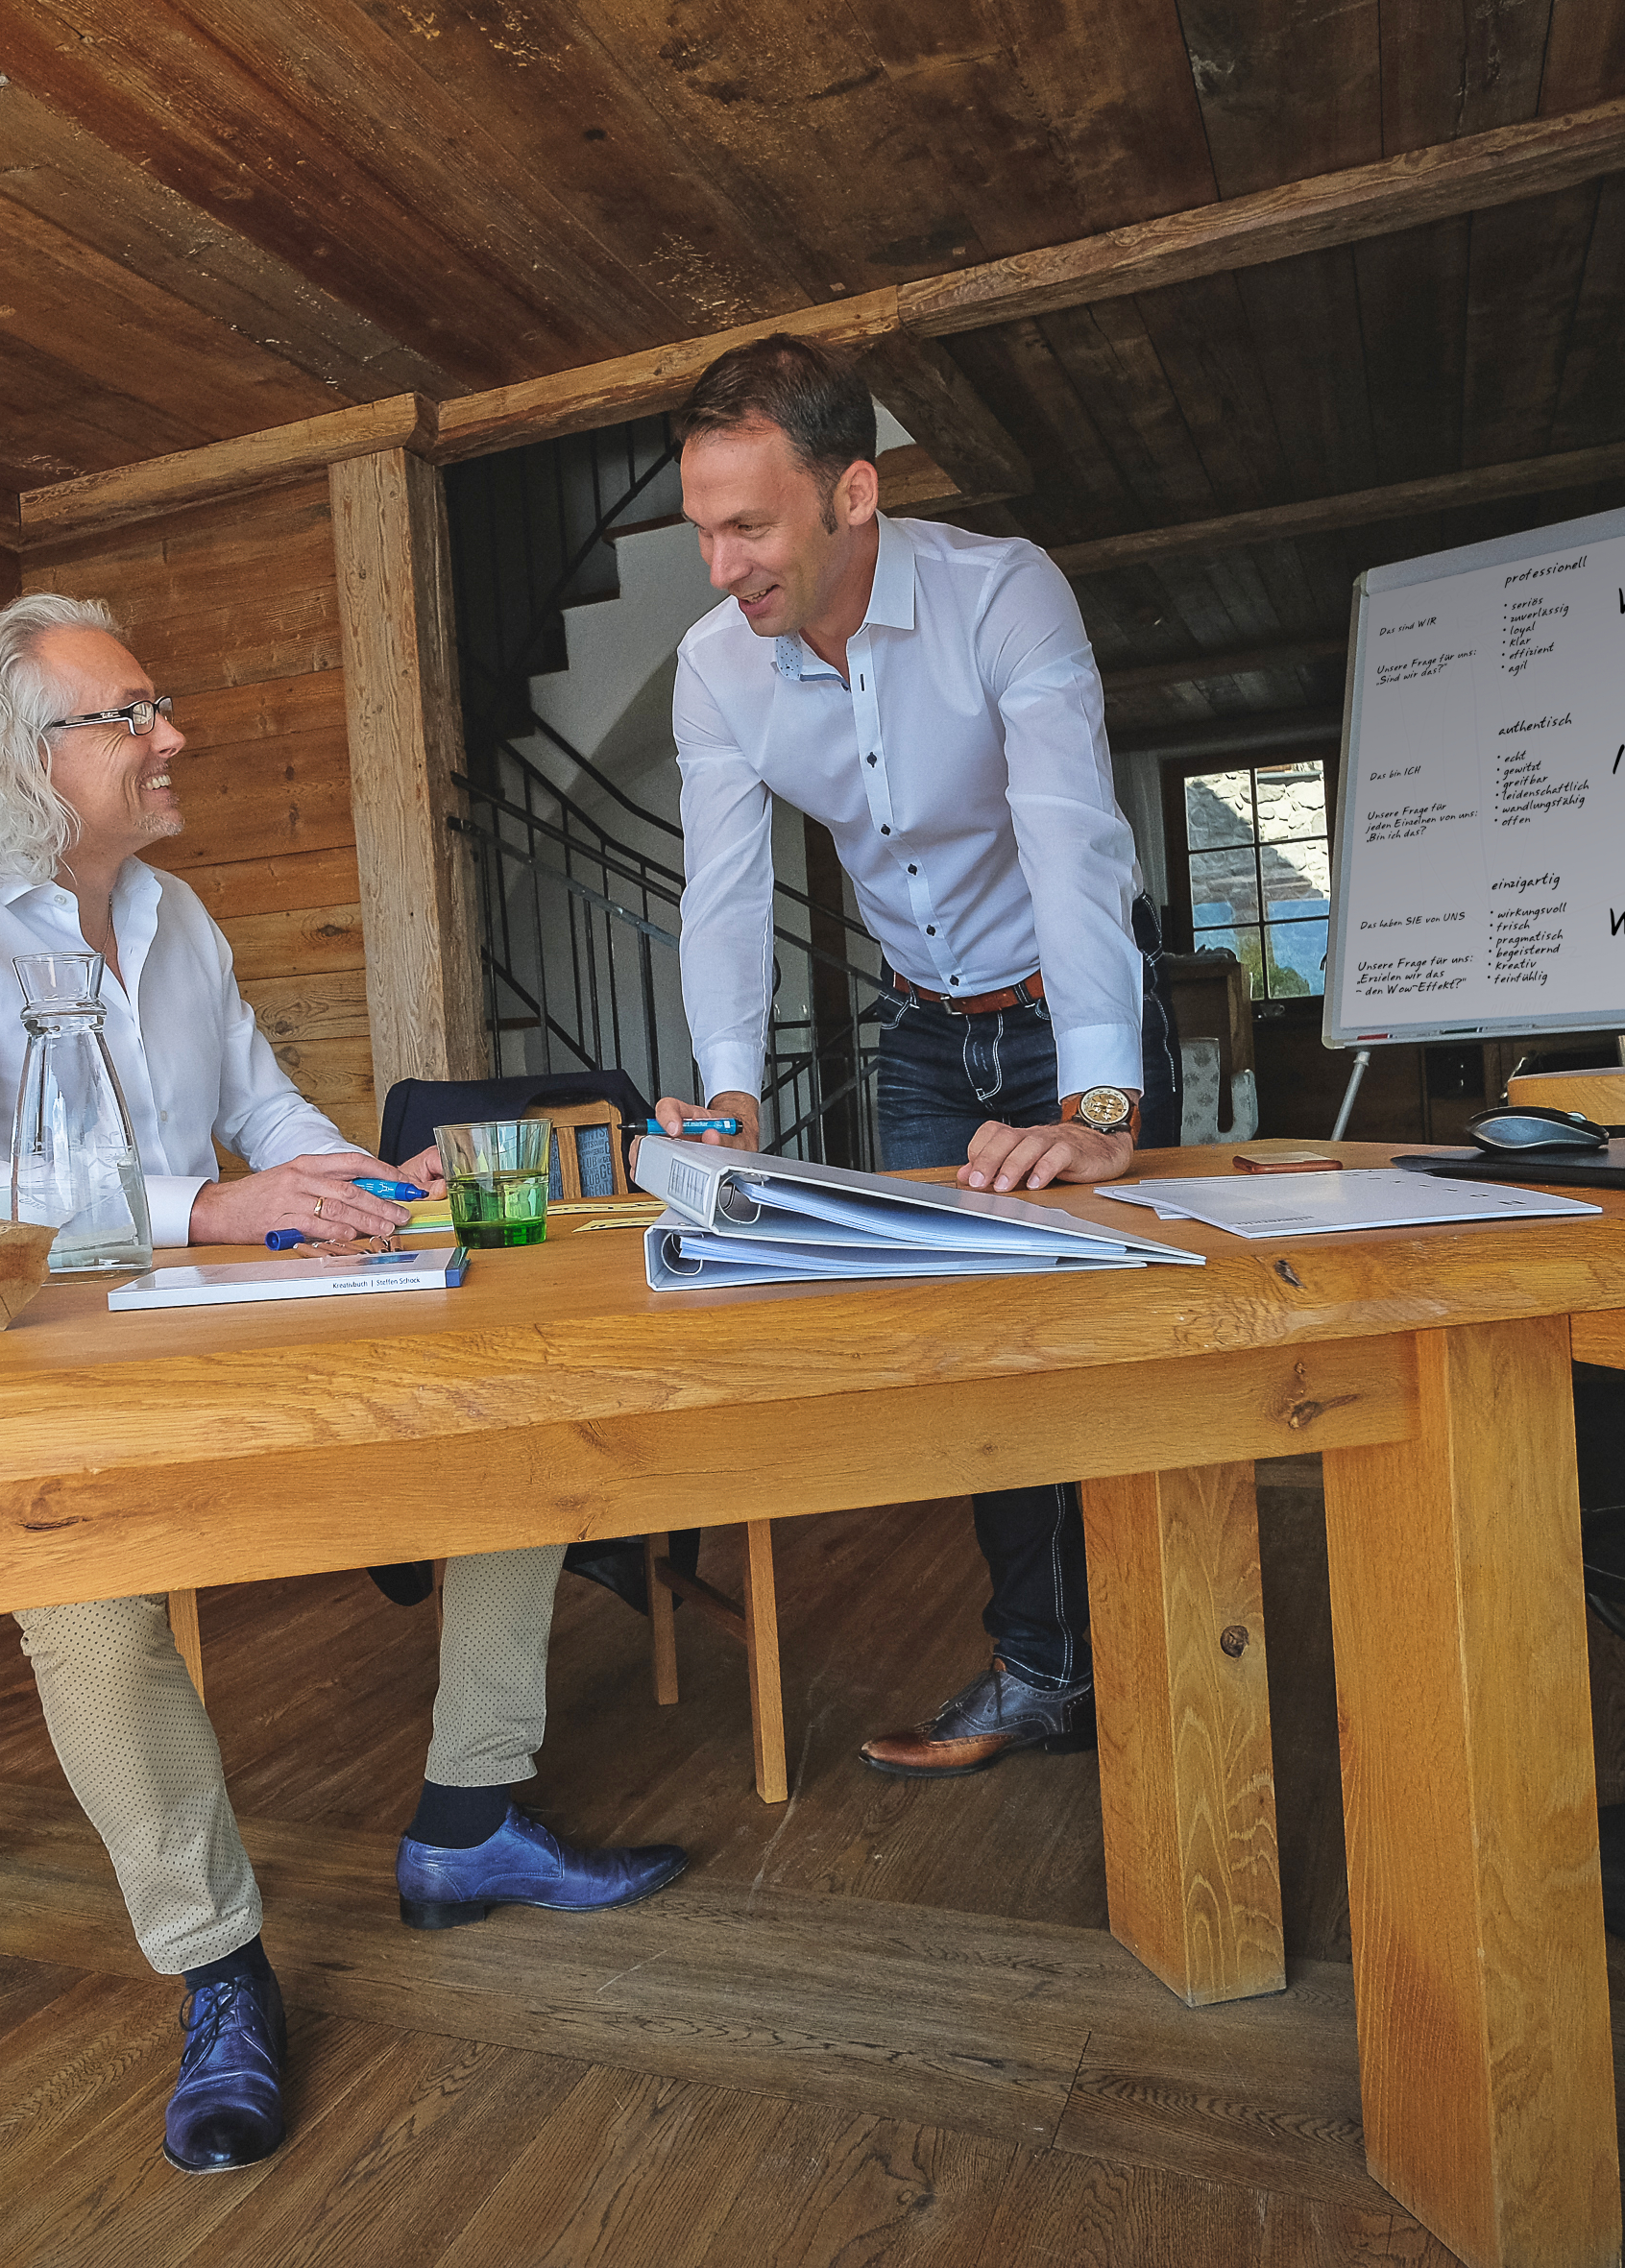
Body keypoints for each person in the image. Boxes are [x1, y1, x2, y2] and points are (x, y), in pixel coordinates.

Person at [0, 591, 689, 2174]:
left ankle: (469, 1819)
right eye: (132, 713)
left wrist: (367, 1176)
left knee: (507, 1421)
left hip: (205, 1327)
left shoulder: (175, 915)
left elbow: (269, 1110)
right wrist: (203, 1209)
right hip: (36, 1359)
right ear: (32, 757)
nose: (174, 737)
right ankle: (218, 1965)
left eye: (158, 706)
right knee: (85, 1605)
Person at [652, 335, 1175, 1783]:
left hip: (1079, 1015)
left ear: (854, 494)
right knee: (979, 1358)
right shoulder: (715, 672)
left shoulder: (1002, 596)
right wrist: (736, 1083)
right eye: (701, 531)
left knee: (1136, 1347)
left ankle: (1180, 1645)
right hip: (930, 1033)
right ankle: (1044, 1670)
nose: (719, 567)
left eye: (747, 526)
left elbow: (1078, 842)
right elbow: (725, 888)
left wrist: (1100, 1102)